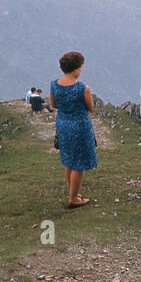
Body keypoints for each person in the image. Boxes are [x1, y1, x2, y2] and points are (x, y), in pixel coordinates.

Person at [51, 51, 96, 209]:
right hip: (80, 126)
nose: (81, 70)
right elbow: (90, 107)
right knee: (79, 163)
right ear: (75, 69)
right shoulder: (83, 88)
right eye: (80, 67)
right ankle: (73, 199)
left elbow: (53, 105)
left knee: (68, 159)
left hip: (63, 125)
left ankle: (74, 193)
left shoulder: (54, 85)